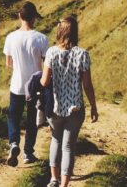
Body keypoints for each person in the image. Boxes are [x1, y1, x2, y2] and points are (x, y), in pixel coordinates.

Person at [41, 15, 98, 187]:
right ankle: (64, 184)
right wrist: (94, 107)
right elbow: (87, 85)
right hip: (75, 108)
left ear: (60, 31)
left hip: (55, 107)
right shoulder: (83, 54)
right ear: (75, 32)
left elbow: (44, 82)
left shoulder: (51, 52)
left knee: (55, 141)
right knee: (68, 147)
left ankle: (53, 180)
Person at [3, 2, 48, 167]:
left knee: (13, 116)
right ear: (34, 17)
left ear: (19, 16)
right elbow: (46, 65)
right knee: (31, 120)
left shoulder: (11, 37)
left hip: (17, 84)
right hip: (35, 86)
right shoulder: (42, 38)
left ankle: (14, 143)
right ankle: (28, 153)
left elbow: (9, 63)